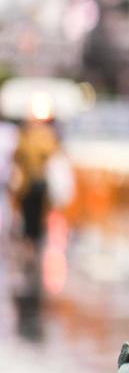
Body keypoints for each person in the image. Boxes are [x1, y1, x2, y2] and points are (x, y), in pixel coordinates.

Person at [9, 112, 59, 268]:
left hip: (38, 183)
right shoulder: (27, 135)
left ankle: (34, 246)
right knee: (29, 215)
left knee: (36, 216)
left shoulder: (41, 135)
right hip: (29, 184)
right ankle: (31, 246)